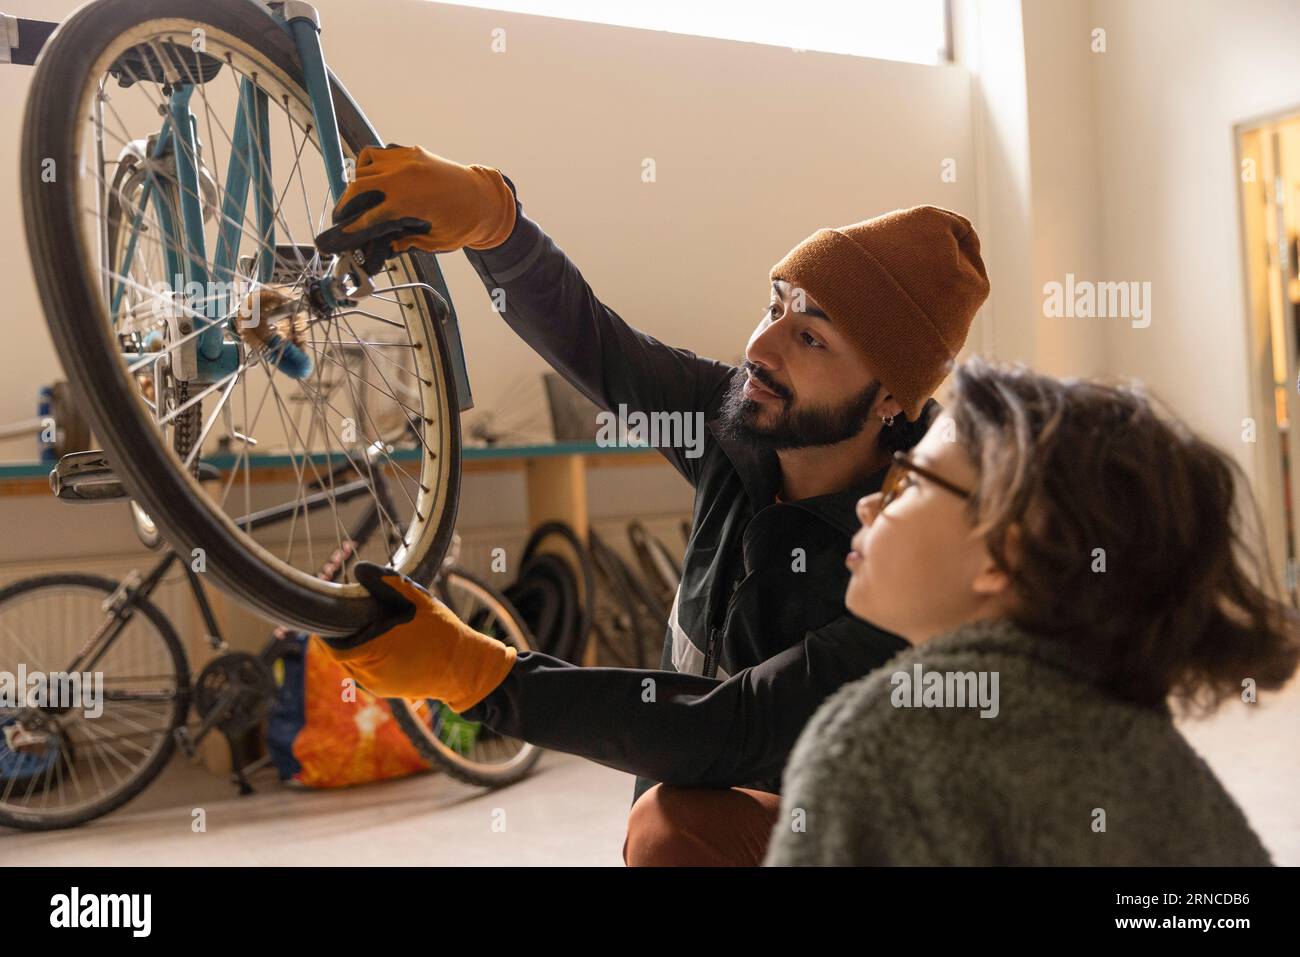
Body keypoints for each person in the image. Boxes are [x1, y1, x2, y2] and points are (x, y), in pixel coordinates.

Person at [311, 145, 990, 865]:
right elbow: (600, 346)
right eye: (774, 306)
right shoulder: (743, 426)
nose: (761, 346)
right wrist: (495, 224)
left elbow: (727, 727)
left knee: (676, 826)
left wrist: (480, 674)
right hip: (742, 810)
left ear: (889, 396)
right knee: (667, 821)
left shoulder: (917, 555)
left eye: (810, 335)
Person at [764, 358, 1300, 865]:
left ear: (1003, 553)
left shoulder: (870, 748)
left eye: (906, 482)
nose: (868, 505)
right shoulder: (1158, 763)